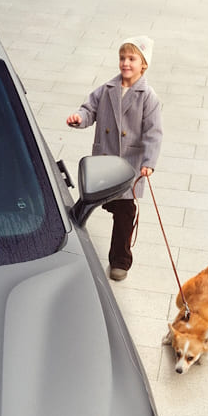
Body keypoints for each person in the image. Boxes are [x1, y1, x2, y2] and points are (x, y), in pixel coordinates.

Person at [66, 36, 162, 281]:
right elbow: (89, 109)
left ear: (143, 64)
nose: (125, 63)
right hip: (105, 157)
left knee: (125, 213)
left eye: (132, 59)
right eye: (122, 58)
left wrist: (148, 163)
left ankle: (120, 260)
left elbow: (153, 133)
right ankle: (68, 234)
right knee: (88, 199)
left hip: (128, 165)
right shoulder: (106, 89)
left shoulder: (148, 97)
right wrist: (80, 118)